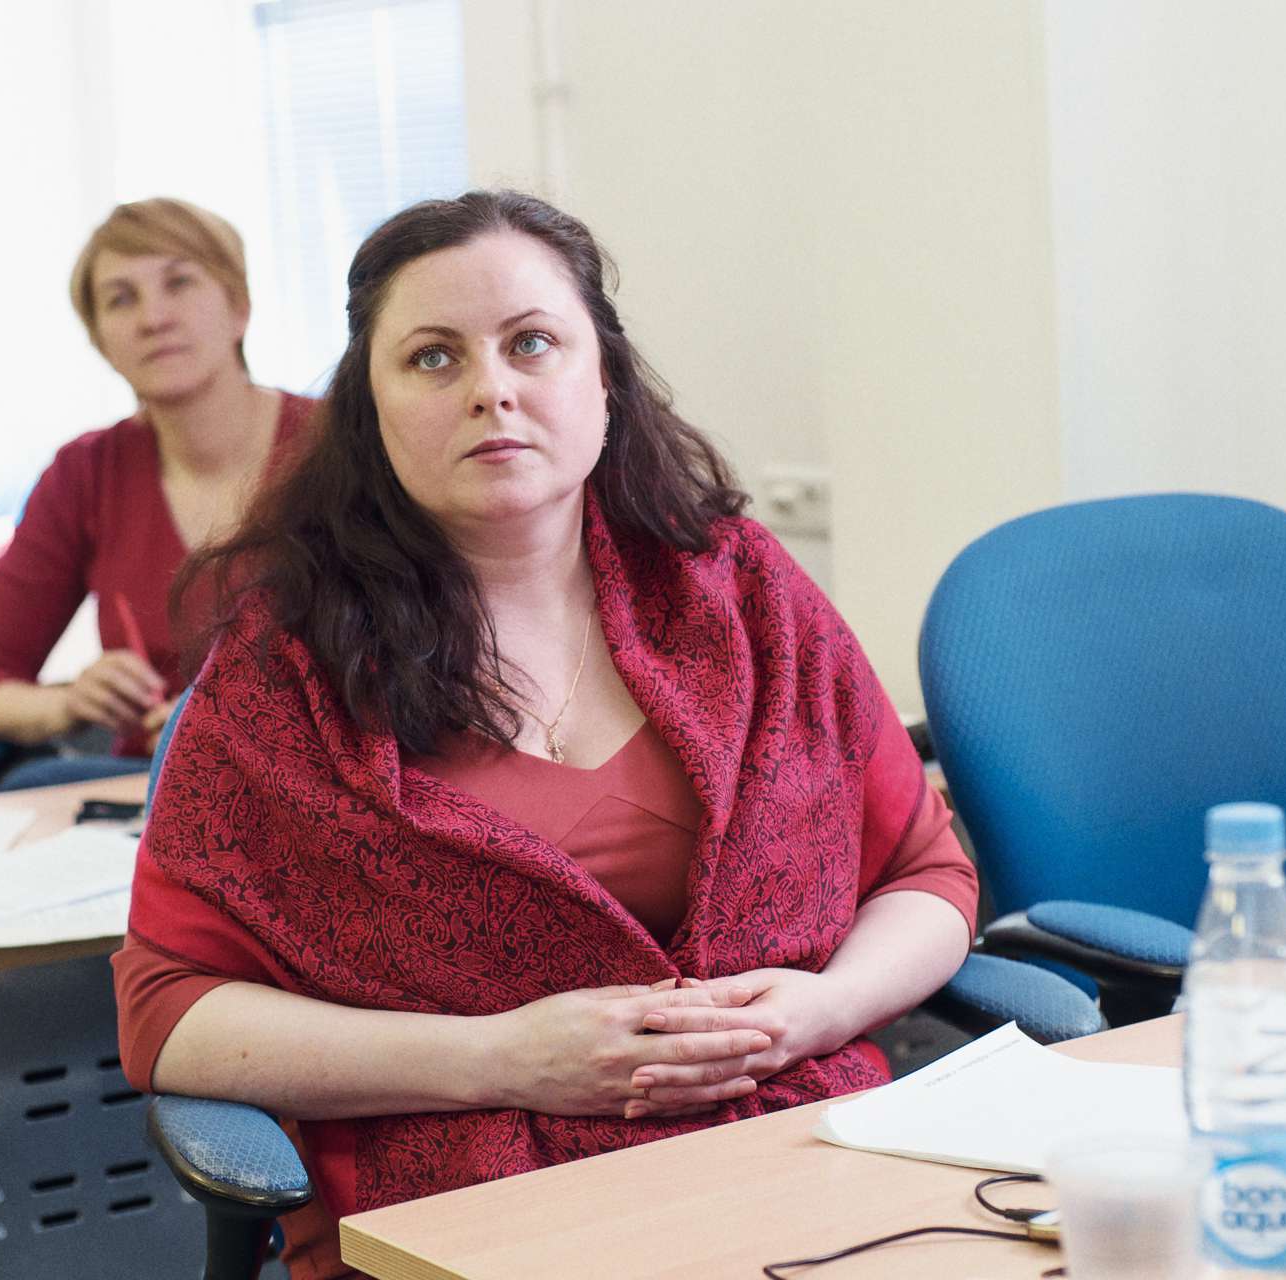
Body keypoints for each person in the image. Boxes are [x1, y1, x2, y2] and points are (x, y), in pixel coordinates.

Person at [115, 191, 977, 1279]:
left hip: (793, 1156)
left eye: (531, 343)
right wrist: (499, 1058)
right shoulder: (284, 667)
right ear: (369, 405)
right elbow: (169, 1012)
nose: (492, 390)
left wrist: (824, 1008)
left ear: (602, 377)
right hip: (466, 1205)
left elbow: (926, 875)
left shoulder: (745, 593)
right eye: (433, 358)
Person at [0, 198, 314, 780]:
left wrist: (223, 726)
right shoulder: (87, 474)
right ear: (102, 343)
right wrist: (66, 705)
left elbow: (421, 671)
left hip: (321, 794)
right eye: (121, 299)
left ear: (240, 307)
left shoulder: (341, 449)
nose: (153, 318)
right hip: (152, 802)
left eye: (179, 283)